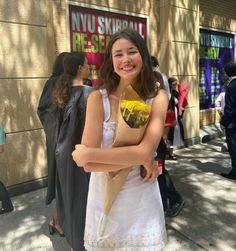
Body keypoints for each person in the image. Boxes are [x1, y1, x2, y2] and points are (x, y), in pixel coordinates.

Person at [72, 28, 168, 250]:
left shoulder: (157, 96)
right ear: (111, 60)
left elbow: (145, 151)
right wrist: (140, 157)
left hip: (141, 197)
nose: (126, 60)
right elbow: (90, 166)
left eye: (132, 52)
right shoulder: (98, 99)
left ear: (143, 55)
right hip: (103, 195)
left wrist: (88, 153)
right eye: (118, 54)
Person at [52, 52, 93, 251]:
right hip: (83, 155)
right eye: (86, 64)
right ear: (79, 68)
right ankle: (82, 244)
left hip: (63, 154)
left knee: (70, 198)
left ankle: (75, 243)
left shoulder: (62, 91)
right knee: (85, 200)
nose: (89, 66)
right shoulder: (89, 94)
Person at [37, 52, 68, 236]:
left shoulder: (72, 83)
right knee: (60, 181)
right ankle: (56, 220)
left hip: (71, 140)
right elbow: (43, 109)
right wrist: (56, 129)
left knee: (68, 182)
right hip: (58, 140)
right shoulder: (53, 83)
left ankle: (58, 220)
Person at [151, 56, 185, 217]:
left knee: (159, 171)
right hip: (153, 138)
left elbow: (165, 112)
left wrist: (163, 136)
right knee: (158, 171)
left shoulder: (157, 78)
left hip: (157, 137)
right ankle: (166, 202)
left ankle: (170, 201)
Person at [220, 62, 236, 180]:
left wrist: (223, 122)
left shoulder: (231, 86)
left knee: (233, 148)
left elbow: (230, 108)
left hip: (233, 124)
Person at [167, 77, 185, 160]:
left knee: (174, 134)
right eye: (173, 84)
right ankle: (169, 153)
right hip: (169, 117)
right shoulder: (167, 94)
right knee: (169, 134)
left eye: (176, 84)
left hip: (176, 116)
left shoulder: (176, 93)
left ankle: (171, 152)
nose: (175, 86)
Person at [215, 82, 228, 152]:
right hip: (226, 114)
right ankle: (227, 144)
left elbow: (217, 102)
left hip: (224, 114)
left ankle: (227, 143)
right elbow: (217, 102)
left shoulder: (222, 94)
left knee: (225, 129)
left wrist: (219, 110)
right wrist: (219, 110)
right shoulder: (223, 94)